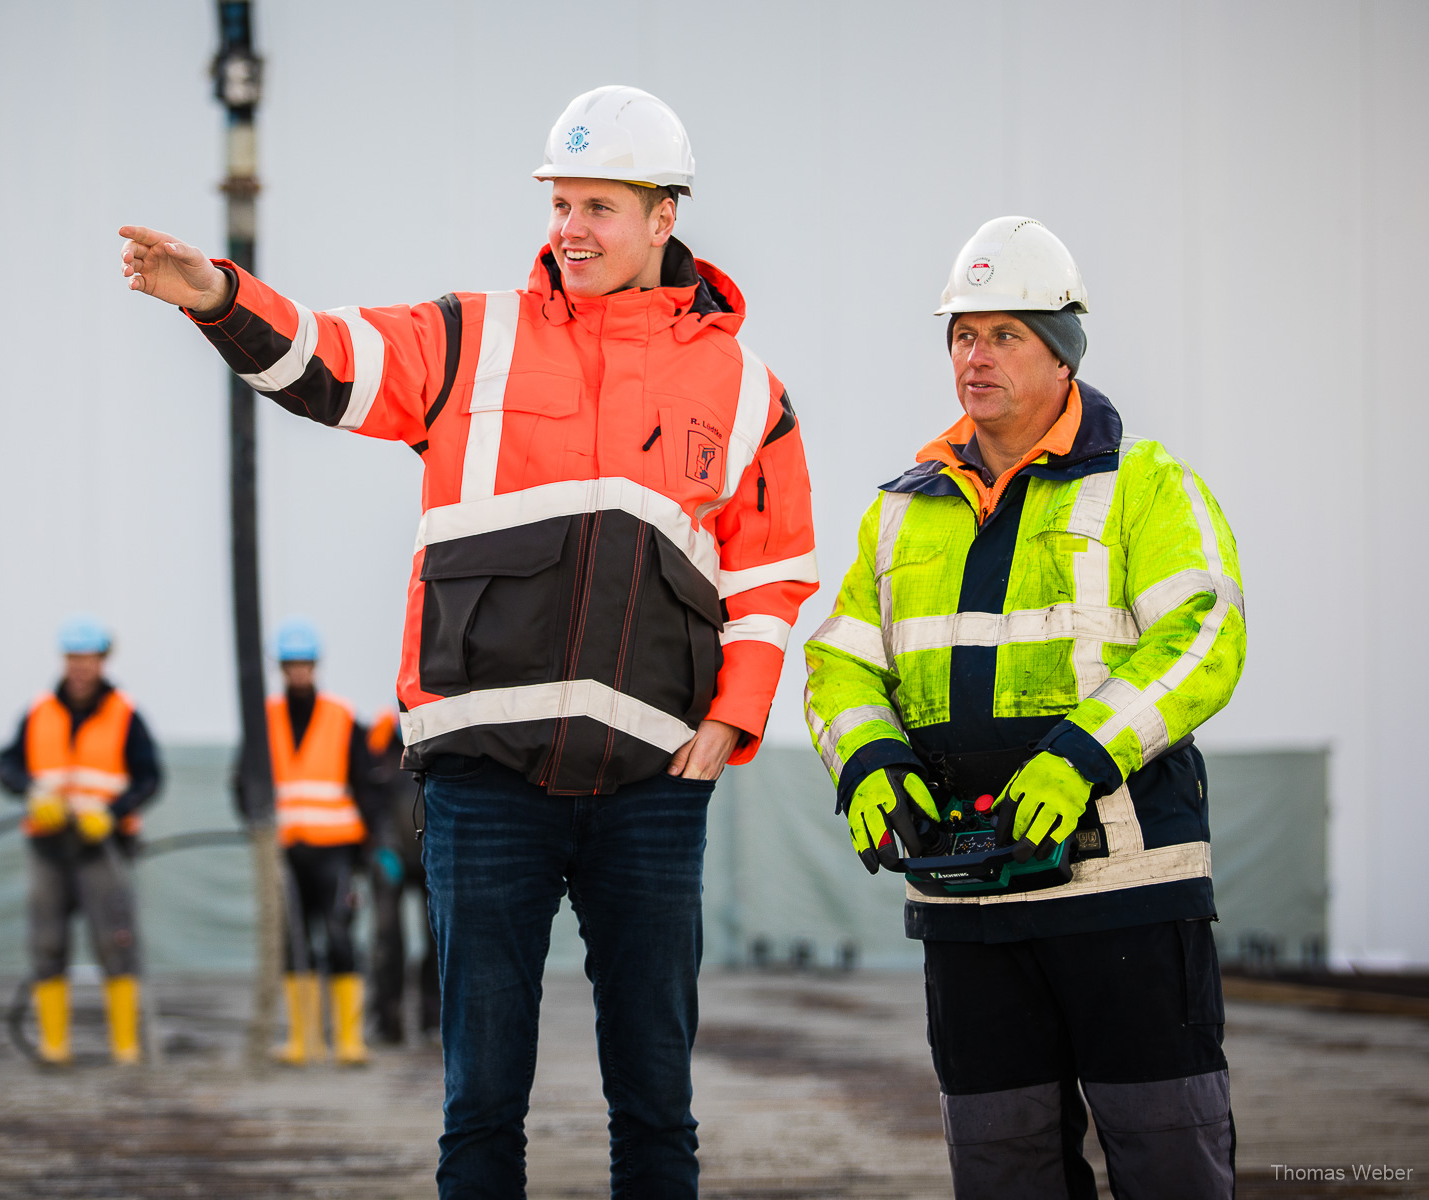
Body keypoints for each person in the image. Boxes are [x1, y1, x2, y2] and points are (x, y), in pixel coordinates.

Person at [120, 84, 817, 1198]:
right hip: (484, 787)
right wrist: (217, 296)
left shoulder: (743, 388)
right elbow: (331, 361)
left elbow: (774, 573)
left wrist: (734, 716)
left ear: (661, 217)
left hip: (649, 790)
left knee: (655, 1107)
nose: (571, 230)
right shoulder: (470, 337)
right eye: (560, 203)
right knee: (481, 1105)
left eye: (598, 205)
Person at [803, 216, 1245, 1198]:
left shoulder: (1145, 485)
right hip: (966, 905)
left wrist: (1080, 754)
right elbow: (839, 661)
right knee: (1002, 1169)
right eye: (963, 333)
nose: (976, 355)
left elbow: (1207, 637)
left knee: (1167, 1155)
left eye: (1006, 334)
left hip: (1122, 891)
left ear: (1063, 353)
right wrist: (871, 763)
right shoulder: (900, 510)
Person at [0, 613, 162, 1066]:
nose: (80, 668)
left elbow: (150, 777)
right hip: (49, 847)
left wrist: (113, 812)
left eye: (87, 659)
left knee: (116, 941)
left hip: (101, 849)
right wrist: (31, 791)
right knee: (46, 942)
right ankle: (54, 1046)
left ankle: (125, 1046)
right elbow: (6, 764)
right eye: (73, 658)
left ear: (103, 660)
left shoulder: (126, 714)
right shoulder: (39, 710)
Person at [265, 617, 380, 1067]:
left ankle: (348, 1040)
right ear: (282, 667)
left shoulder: (341, 717)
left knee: (339, 938)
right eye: (291, 664)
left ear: (315, 665)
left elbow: (367, 785)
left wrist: (370, 849)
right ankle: (303, 1039)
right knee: (293, 941)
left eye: (304, 664)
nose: (298, 672)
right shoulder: (267, 719)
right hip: (287, 851)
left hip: (336, 851)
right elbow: (247, 782)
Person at [364, 706, 439, 1045]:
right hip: (389, 858)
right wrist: (379, 845)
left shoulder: (440, 743)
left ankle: (434, 1019)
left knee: (438, 940)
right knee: (387, 941)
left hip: (432, 859)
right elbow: (367, 800)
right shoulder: (378, 748)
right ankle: (387, 1021)